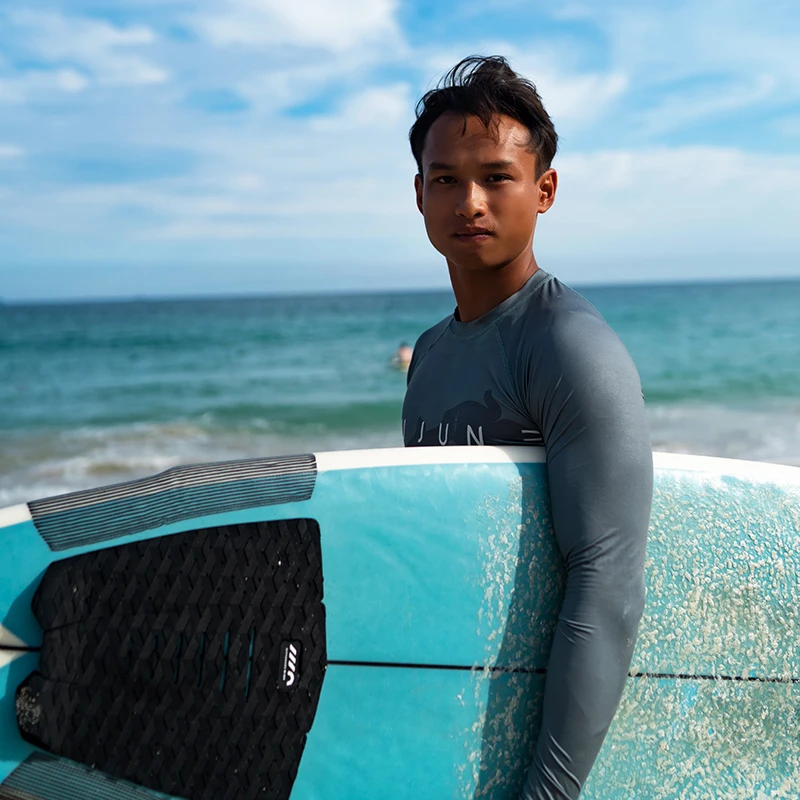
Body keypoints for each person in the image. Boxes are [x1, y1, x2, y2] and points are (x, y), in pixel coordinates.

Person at [402, 56, 653, 799]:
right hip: (455, 733)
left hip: (552, 759)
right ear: (418, 195)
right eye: (445, 179)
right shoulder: (432, 356)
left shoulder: (571, 347)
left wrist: (548, 792)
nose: (468, 201)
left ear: (543, 191)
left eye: (496, 177)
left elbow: (608, 586)